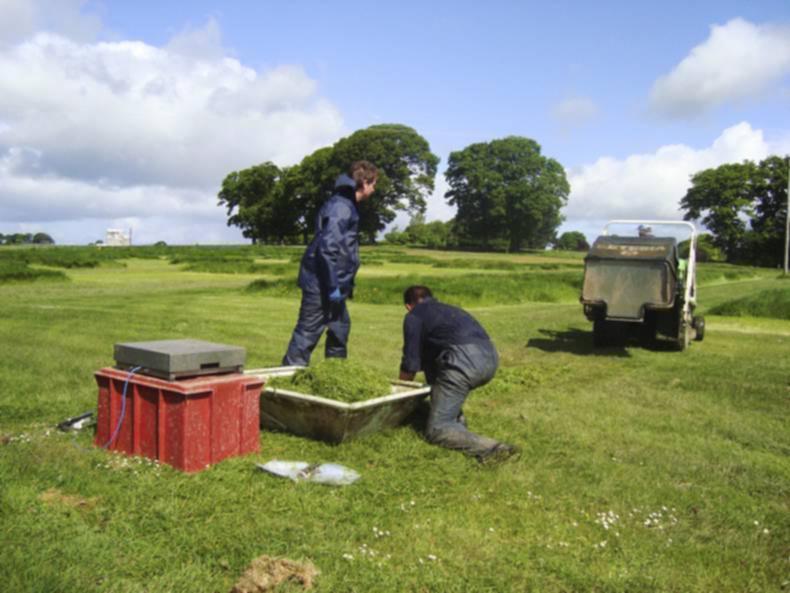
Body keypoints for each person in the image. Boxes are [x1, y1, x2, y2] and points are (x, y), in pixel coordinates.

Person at [398, 285, 518, 463]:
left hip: (465, 361)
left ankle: (494, 449)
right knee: (437, 369)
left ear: (408, 305)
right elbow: (428, 361)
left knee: (437, 430)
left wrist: (399, 398)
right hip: (490, 357)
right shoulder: (448, 310)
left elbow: (411, 362)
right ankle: (455, 422)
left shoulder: (414, 316)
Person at [282, 161, 378, 366]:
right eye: (373, 184)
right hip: (322, 284)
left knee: (340, 328)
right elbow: (327, 248)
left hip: (334, 285)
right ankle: (285, 387)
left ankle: (334, 373)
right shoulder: (341, 207)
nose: (374, 189)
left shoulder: (346, 204)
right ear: (365, 183)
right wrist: (333, 286)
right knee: (307, 334)